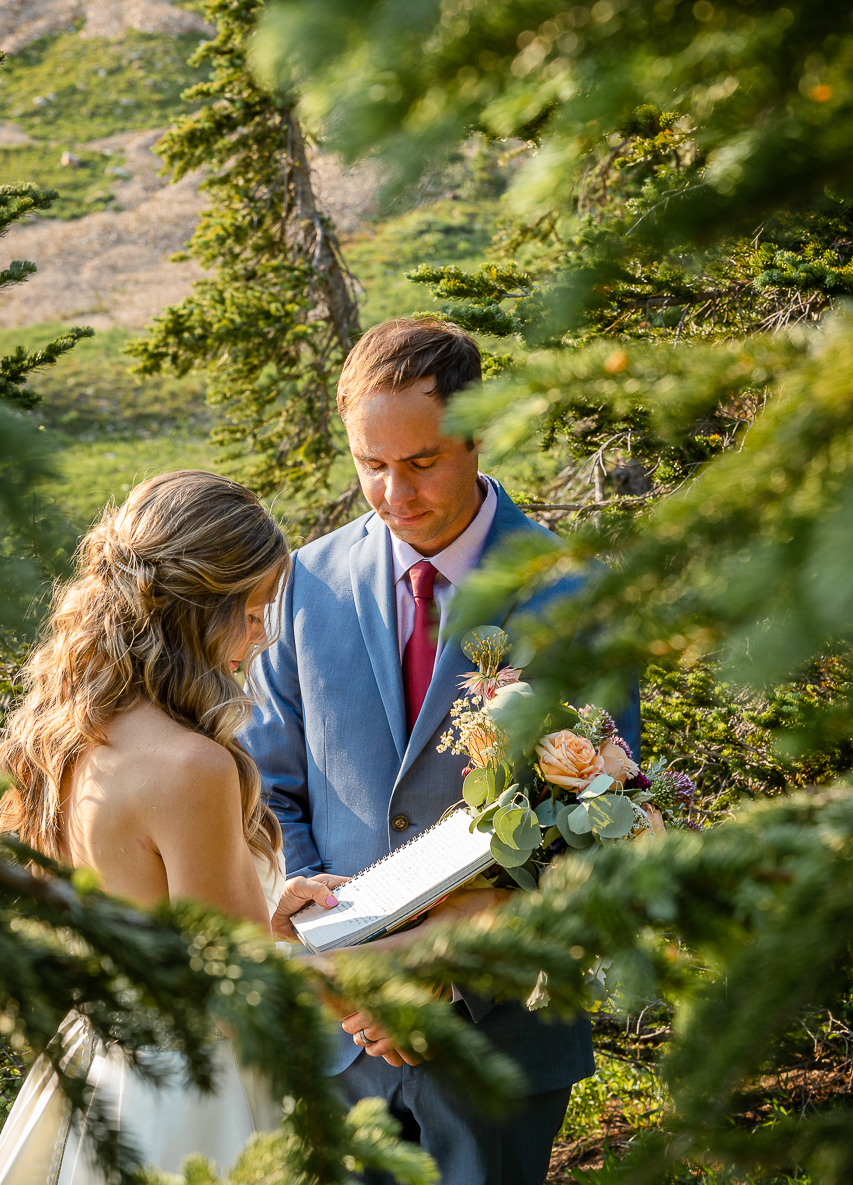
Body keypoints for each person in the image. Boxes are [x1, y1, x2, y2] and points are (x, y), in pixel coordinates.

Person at [243, 317, 642, 1185]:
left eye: (420, 461)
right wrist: (337, 954)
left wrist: (439, 972)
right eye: (369, 465)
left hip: (499, 1037)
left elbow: (599, 826)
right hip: (338, 1039)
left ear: (477, 435)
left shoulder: (574, 593)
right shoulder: (303, 583)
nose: (392, 492)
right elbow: (267, 789)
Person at [0, 470, 346, 1184]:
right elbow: (234, 992)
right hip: (193, 1101)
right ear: (195, 609)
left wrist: (264, 913)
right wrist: (391, 959)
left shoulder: (67, 732)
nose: (259, 636)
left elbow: (147, 916)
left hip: (103, 1069)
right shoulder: (191, 766)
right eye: (251, 611)